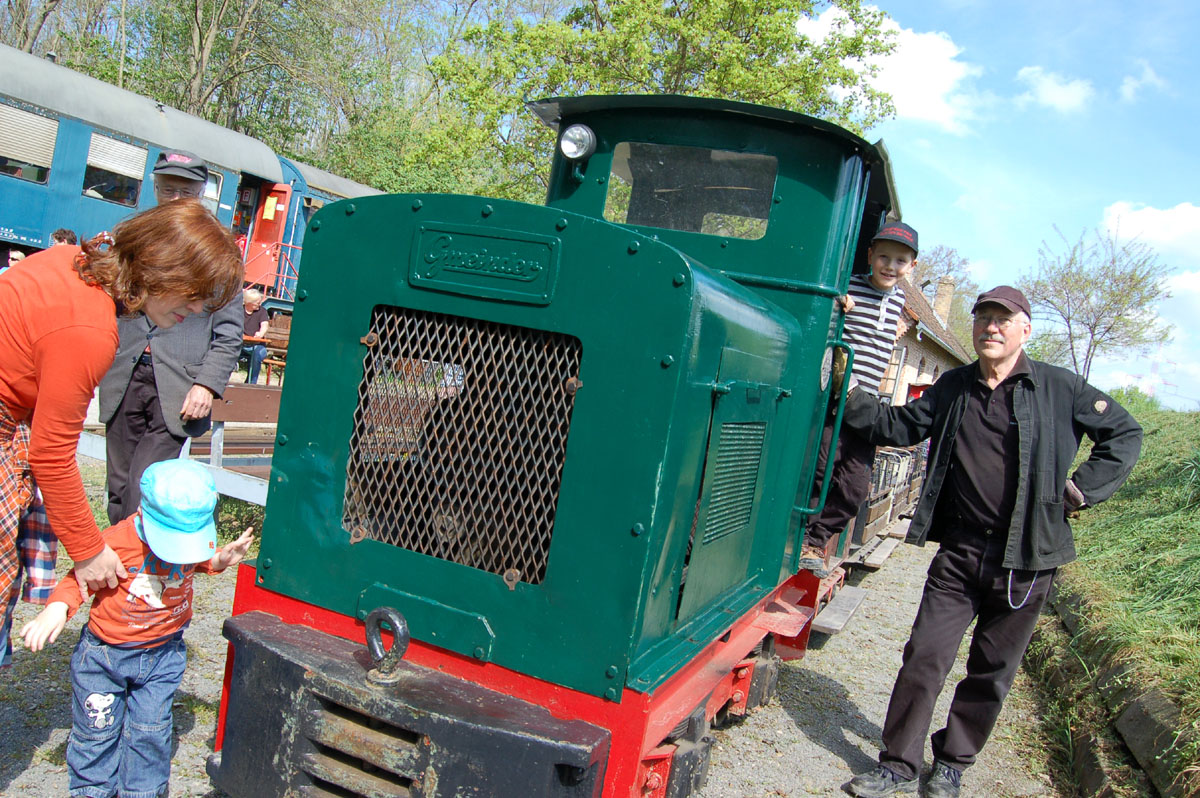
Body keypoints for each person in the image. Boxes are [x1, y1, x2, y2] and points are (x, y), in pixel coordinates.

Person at [842, 286, 1143, 798]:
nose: (990, 328)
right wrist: (845, 393)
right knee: (924, 658)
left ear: (1026, 329)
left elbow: (1124, 434)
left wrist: (1083, 489)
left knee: (991, 671)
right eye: (983, 319)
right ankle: (897, 765)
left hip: (1027, 559)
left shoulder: (1059, 387)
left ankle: (953, 764)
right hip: (961, 552)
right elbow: (900, 425)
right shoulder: (954, 385)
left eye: (1003, 320)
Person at [0, 200, 242, 668]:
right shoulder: (89, 331)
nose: (195, 311)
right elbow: (51, 455)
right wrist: (89, 553)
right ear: (160, 271)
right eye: (192, 295)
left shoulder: (68, 263)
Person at [20, 459, 254, 798]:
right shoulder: (116, 541)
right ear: (145, 514)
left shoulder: (189, 543)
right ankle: (92, 790)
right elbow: (78, 578)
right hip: (105, 656)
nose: (178, 554)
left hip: (163, 654)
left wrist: (219, 559)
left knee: (151, 731)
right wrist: (56, 609)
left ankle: (142, 792)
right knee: (96, 732)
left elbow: (197, 560)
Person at [99, 150, 243, 525]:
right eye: (168, 190)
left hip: (179, 388)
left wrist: (206, 386)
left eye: (185, 192)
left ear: (202, 193)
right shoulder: (134, 240)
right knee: (118, 482)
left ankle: (140, 565)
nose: (175, 199)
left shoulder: (215, 252)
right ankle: (122, 558)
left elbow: (230, 334)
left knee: (144, 481)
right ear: (155, 187)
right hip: (124, 375)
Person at [799, 221, 917, 577]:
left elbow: (905, 327)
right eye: (883, 257)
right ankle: (806, 540)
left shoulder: (899, 302)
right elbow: (829, 320)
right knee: (821, 470)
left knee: (855, 488)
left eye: (899, 261)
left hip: (869, 410)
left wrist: (902, 329)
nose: (890, 266)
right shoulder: (849, 287)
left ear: (911, 267)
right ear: (870, 256)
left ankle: (819, 537)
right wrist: (840, 308)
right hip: (838, 400)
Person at [241, 288, 270, 385]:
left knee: (258, 354)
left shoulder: (262, 311)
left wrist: (260, 334)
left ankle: (251, 383)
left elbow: (264, 325)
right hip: (240, 343)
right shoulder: (239, 310)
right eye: (257, 302)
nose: (259, 304)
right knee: (229, 351)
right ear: (249, 303)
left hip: (257, 344)